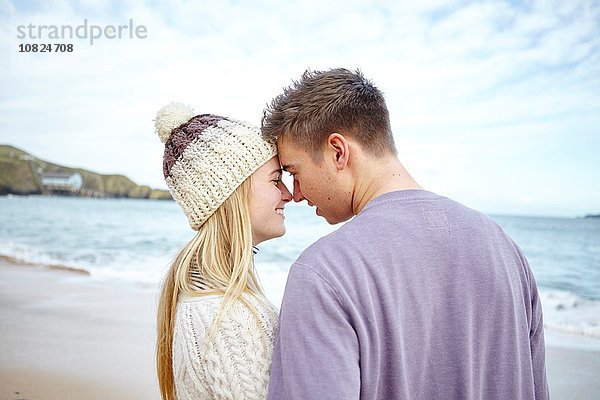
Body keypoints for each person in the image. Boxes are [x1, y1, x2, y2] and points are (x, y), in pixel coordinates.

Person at [261, 69, 549, 399]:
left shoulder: (323, 273)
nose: (295, 193)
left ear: (338, 151)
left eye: (295, 172)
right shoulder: (506, 251)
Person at [154, 102, 292, 400]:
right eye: (275, 179)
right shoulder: (229, 319)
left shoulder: (204, 300)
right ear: (234, 193)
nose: (288, 194)